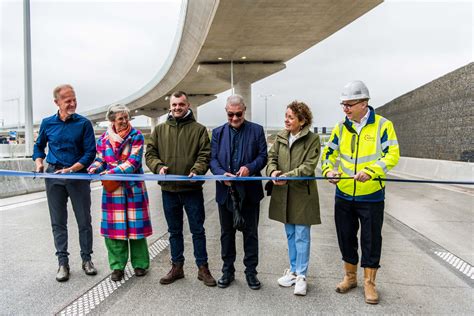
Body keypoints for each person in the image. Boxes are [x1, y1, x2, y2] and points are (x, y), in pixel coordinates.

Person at [322, 80, 399, 304]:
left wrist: (372, 171)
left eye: (349, 104)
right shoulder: (340, 128)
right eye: (343, 105)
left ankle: (369, 283)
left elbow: (392, 155)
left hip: (372, 196)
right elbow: (328, 154)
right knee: (346, 237)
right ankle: (350, 277)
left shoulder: (383, 126)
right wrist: (328, 171)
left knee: (371, 240)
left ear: (364, 103)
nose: (345, 109)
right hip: (344, 195)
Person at [145, 91, 216, 286]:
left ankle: (203, 268)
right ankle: (177, 267)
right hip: (168, 190)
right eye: (174, 105)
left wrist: (197, 170)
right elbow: (150, 154)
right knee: (174, 231)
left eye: (181, 104)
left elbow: (205, 155)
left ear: (188, 105)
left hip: (192, 190)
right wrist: (158, 166)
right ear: (170, 106)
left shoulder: (199, 130)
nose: (177, 108)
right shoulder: (159, 130)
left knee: (197, 230)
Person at [32, 84, 97, 282]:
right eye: (67, 100)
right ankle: (62, 263)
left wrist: (72, 169)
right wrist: (39, 162)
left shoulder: (84, 124)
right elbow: (38, 146)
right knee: (58, 222)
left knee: (84, 220)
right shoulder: (47, 123)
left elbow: (90, 152)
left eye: (74, 99)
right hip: (54, 176)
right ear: (57, 102)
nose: (72, 103)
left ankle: (87, 260)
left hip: (77, 176)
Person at [87, 105, 152, 282]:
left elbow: (134, 161)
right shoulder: (103, 139)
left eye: (126, 118)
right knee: (114, 231)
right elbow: (100, 159)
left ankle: (140, 264)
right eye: (120, 118)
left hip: (133, 188)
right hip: (113, 190)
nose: (124, 121)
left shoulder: (136, 136)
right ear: (112, 120)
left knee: (136, 229)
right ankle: (117, 267)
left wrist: (112, 171)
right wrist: (94, 168)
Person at [210, 95, 268, 290]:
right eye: (230, 114)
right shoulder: (217, 132)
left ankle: (251, 272)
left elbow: (263, 156)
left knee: (250, 234)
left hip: (249, 192)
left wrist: (250, 168)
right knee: (227, 233)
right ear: (226, 112)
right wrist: (220, 174)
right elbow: (213, 160)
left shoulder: (257, 130)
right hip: (225, 191)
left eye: (238, 114)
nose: (234, 118)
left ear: (244, 110)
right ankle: (228, 271)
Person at [266, 101, 321, 296]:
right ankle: (294, 270)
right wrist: (272, 172)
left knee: (301, 235)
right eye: (286, 116)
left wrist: (286, 176)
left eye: (290, 117)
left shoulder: (312, 139)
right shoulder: (280, 136)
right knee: (290, 233)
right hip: (283, 193)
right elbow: (271, 158)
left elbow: (308, 166)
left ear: (302, 120)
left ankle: (302, 277)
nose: (286, 120)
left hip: (302, 194)